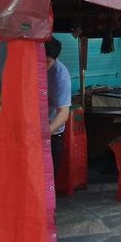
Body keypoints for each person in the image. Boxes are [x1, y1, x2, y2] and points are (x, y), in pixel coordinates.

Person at [45, 39, 72, 175]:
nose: (43, 66)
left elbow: (63, 113)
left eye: (47, 62)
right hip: (30, 129)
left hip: (52, 133)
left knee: (48, 176)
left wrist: (44, 133)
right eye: (40, 60)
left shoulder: (60, 76)